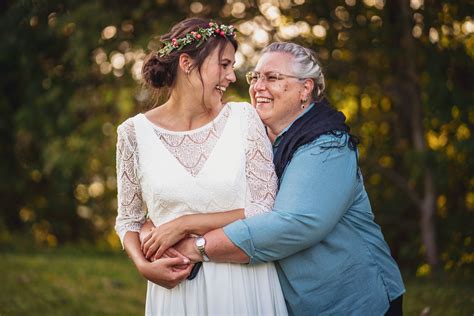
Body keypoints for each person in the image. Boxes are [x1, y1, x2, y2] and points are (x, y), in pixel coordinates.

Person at [143, 42, 406, 315]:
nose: (258, 86)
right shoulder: (253, 140)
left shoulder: (328, 146)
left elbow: (292, 224)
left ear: (306, 88)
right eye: (255, 77)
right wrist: (155, 234)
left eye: (272, 78)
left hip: (352, 302)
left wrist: (197, 247)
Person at [115, 18, 288, 315]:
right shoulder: (133, 133)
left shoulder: (243, 119)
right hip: (175, 291)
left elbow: (263, 209)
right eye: (223, 65)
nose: (232, 76)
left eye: (231, 66)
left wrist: (185, 223)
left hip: (244, 284)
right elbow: (128, 220)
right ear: (187, 63)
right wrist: (144, 266)